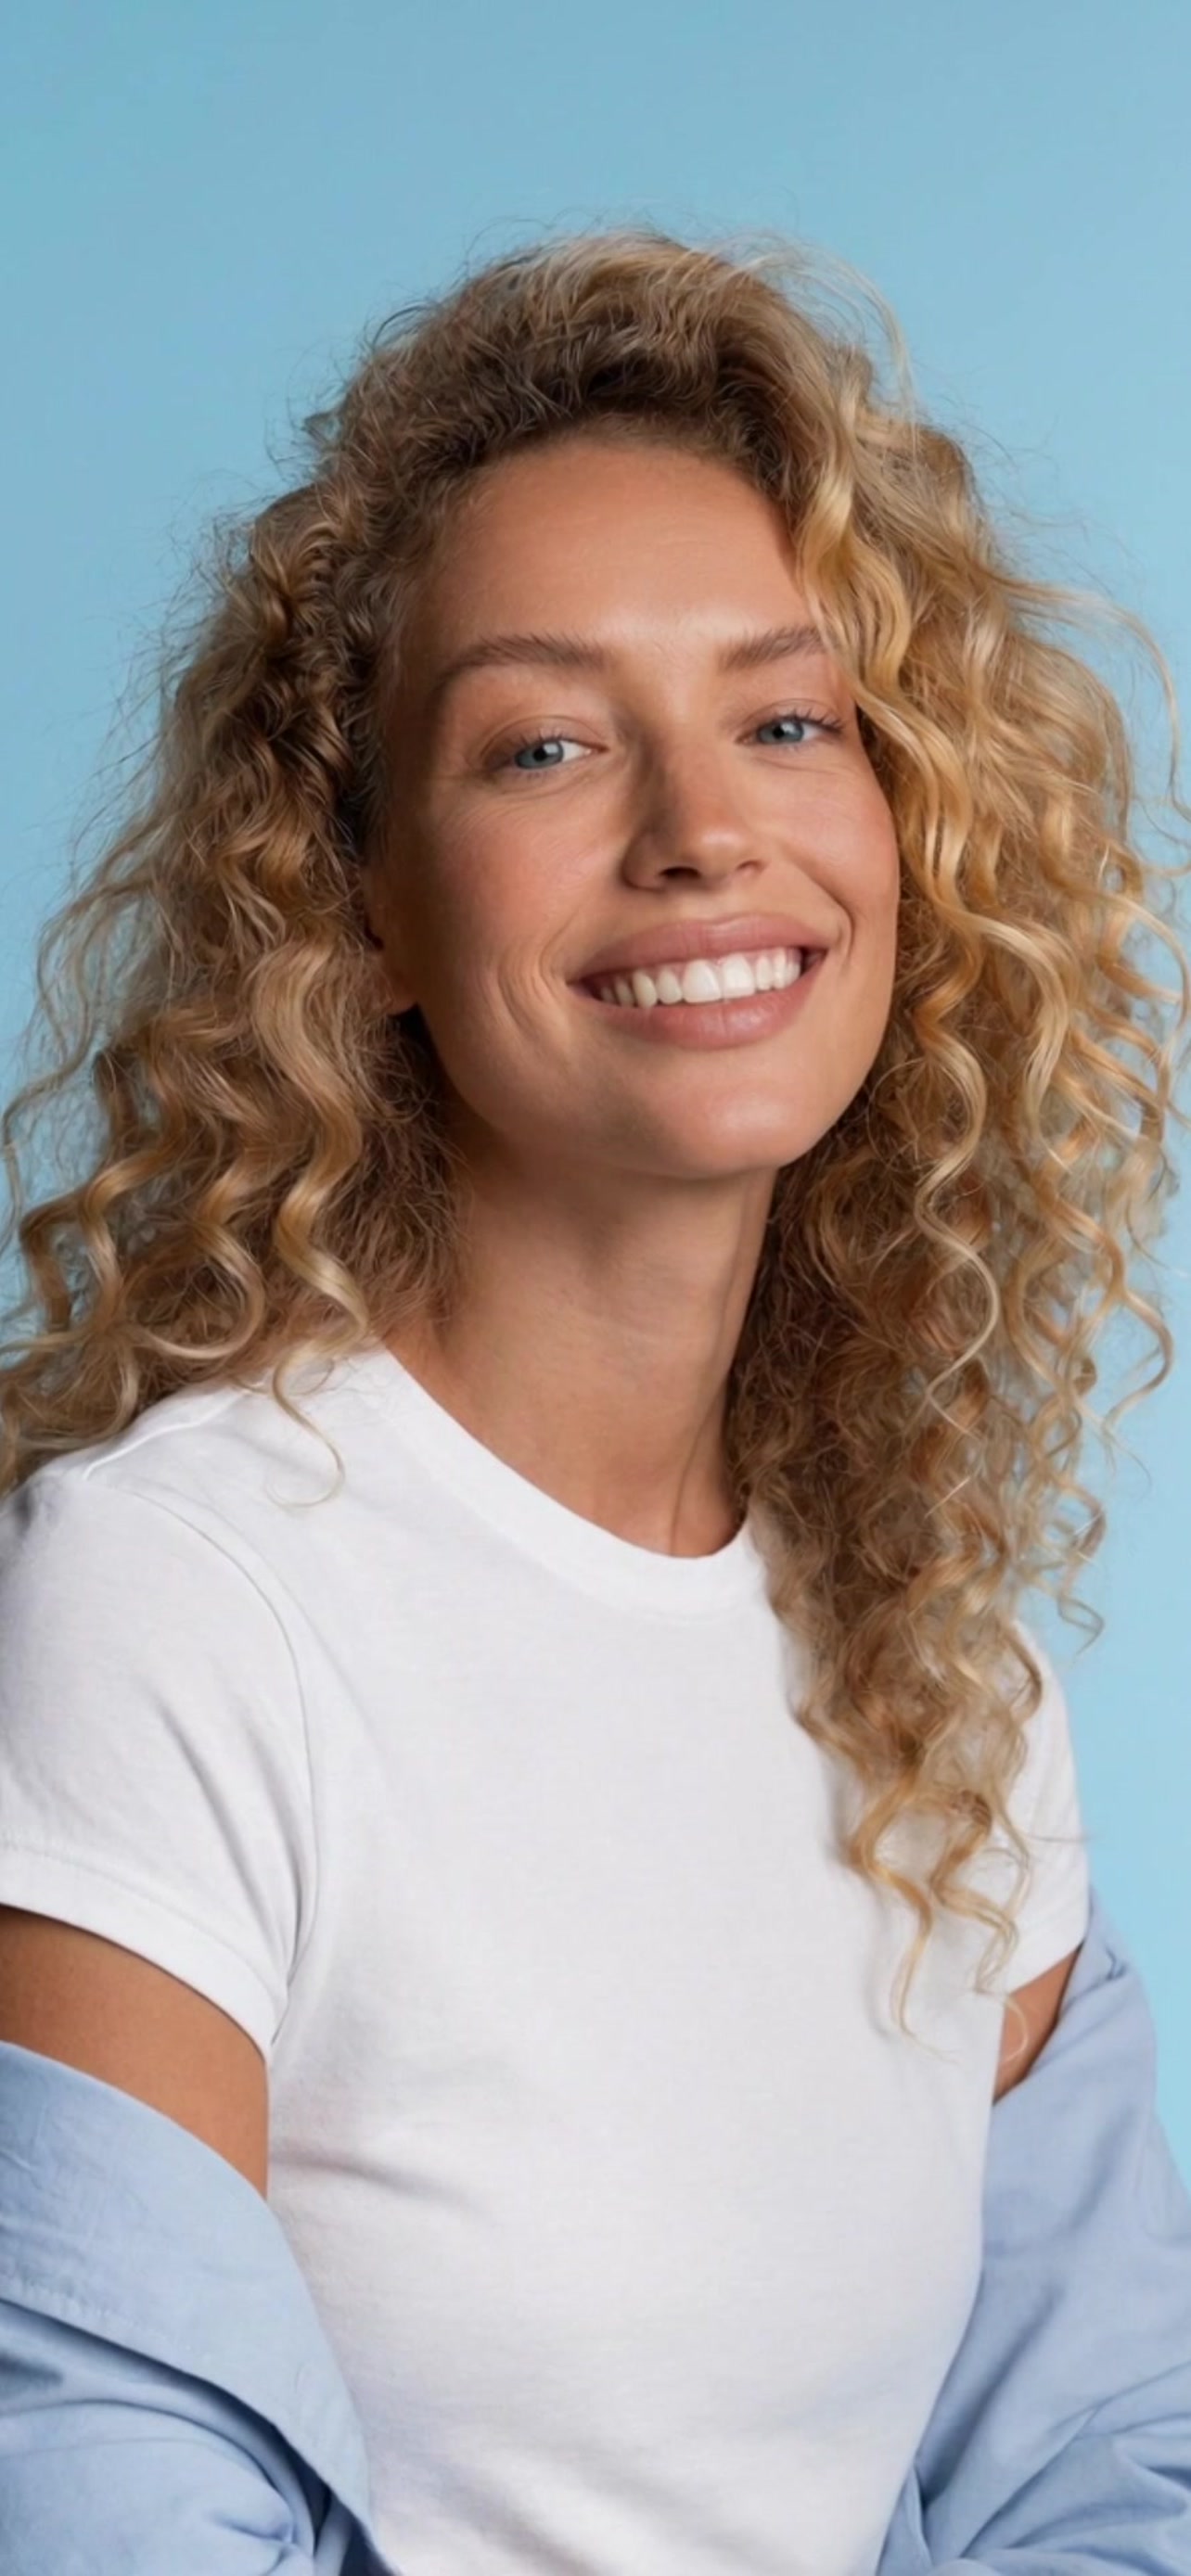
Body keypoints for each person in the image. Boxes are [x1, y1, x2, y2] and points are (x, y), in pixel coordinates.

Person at [0, 224, 1186, 2575]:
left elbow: (1104, 2469)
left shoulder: (954, 1689)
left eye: (790, 720)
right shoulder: (174, 1595)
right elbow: (106, 2508)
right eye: (545, 744)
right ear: (361, 904)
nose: (699, 827)